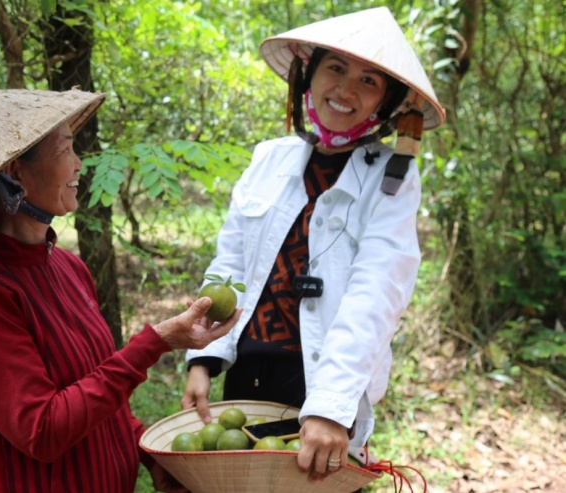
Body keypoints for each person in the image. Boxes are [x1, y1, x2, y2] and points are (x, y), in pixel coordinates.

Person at [0, 88, 241, 493]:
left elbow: (97, 388)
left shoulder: (66, 266)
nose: (79, 165)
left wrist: (145, 451)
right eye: (66, 150)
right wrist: (153, 344)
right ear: (16, 172)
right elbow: (43, 430)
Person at [180, 6, 446, 485]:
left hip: (320, 380)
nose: (345, 90)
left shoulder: (392, 179)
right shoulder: (270, 158)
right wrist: (203, 358)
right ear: (310, 74)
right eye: (336, 68)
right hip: (246, 374)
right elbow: (231, 262)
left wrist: (329, 409)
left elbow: (376, 293)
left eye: (369, 81)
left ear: (384, 104)